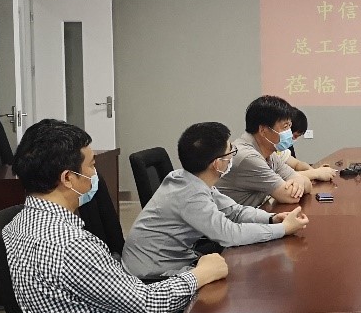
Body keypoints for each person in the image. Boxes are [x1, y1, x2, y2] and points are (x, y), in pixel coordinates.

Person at [2, 119, 228, 313]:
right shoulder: (69, 244)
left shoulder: (18, 225)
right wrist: (199, 275)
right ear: (68, 178)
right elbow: (146, 302)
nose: (95, 174)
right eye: (91, 166)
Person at [122, 122, 310, 279]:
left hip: (175, 258)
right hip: (153, 275)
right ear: (217, 164)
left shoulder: (190, 178)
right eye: (230, 152)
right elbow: (229, 234)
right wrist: (283, 229)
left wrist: (271, 219)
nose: (233, 154)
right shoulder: (190, 195)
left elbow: (234, 211)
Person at [218, 95, 313, 207]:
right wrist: (300, 181)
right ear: (263, 130)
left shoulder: (269, 152)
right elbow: (290, 196)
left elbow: (308, 185)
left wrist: (299, 180)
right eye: (285, 127)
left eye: (290, 126)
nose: (289, 133)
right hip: (233, 217)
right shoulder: (248, 157)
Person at [272, 107, 340, 183]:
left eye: (289, 125)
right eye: (285, 127)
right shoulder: (264, 154)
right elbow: (281, 178)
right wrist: (316, 173)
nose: (293, 140)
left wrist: (315, 171)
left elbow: (297, 164)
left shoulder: (278, 151)